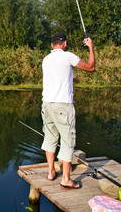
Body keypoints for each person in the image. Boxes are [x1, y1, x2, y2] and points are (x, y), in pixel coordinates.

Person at [41, 33, 95, 189]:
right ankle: (65, 179)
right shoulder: (68, 57)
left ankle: (51, 172)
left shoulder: (46, 59)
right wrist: (90, 46)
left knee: (50, 138)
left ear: (52, 45)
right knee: (67, 140)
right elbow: (91, 67)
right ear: (64, 43)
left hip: (47, 104)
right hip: (63, 105)